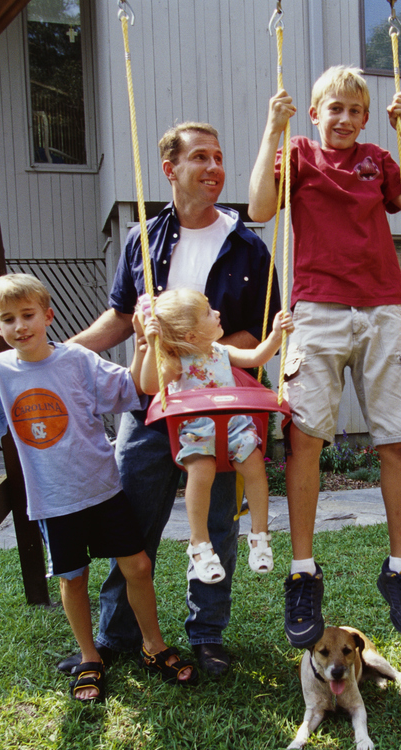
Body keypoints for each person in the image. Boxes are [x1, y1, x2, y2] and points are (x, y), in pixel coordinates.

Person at [64, 122, 279, 679]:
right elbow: (118, 317)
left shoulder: (249, 245)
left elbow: (253, 338)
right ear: (171, 169)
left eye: (219, 157)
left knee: (217, 522)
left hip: (221, 408)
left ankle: (206, 634)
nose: (214, 168)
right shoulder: (143, 237)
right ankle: (118, 633)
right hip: (150, 412)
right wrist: (61, 354)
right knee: (130, 522)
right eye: (200, 158)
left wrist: (187, 355)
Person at [248, 65, 401, 648]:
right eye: (336, 109)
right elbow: (258, 209)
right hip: (317, 311)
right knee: (306, 440)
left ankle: (400, 569)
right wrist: (271, 131)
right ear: (315, 113)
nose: (346, 119)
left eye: (356, 110)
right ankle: (303, 572)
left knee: (396, 441)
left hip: (382, 309)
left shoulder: (378, 160)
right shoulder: (298, 153)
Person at [0, 274, 196, 702]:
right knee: (72, 577)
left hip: (103, 488)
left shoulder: (78, 360)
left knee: (137, 566)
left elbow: (134, 390)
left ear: (48, 316)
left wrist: (143, 347)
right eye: (8, 319)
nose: (20, 326)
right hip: (54, 499)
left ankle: (153, 646)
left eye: (28, 315)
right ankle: (90, 657)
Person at [138, 288, 294, 582]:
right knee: (201, 470)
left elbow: (256, 356)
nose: (217, 313)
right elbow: (148, 385)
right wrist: (150, 344)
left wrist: (275, 336)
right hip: (197, 433)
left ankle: (259, 535)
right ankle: (199, 544)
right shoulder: (175, 364)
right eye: (208, 313)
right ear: (191, 336)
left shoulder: (222, 351)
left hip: (234, 427)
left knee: (255, 465)